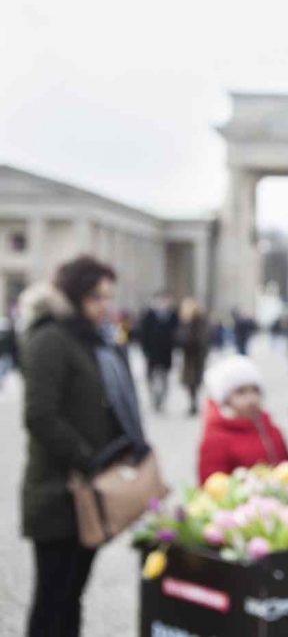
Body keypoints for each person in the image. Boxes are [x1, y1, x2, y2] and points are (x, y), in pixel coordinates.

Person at [19, 256, 150, 637]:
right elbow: (40, 415)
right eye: (95, 296)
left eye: (108, 296)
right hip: (57, 492)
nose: (104, 305)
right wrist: (89, 459)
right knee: (52, 599)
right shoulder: (50, 339)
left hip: (90, 492)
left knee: (73, 595)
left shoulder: (92, 339)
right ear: (73, 297)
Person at [197, 355, 288, 483]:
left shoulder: (270, 428)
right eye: (241, 392)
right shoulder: (215, 438)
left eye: (255, 390)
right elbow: (212, 484)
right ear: (226, 399)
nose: (251, 398)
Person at [138, 291, 178, 412]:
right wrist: (145, 350)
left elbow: (176, 333)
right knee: (151, 377)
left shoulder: (172, 315)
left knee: (164, 377)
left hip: (166, 352)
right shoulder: (149, 315)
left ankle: (161, 399)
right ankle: (154, 398)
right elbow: (143, 333)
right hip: (152, 352)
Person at [177, 297, 210, 416]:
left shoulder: (199, 321)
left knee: (195, 382)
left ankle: (194, 404)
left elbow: (203, 338)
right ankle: (192, 403)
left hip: (196, 357)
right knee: (189, 382)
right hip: (188, 356)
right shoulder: (185, 321)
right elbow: (180, 336)